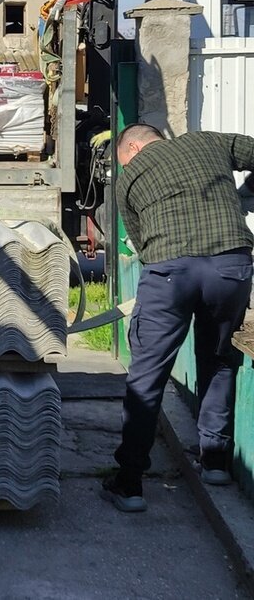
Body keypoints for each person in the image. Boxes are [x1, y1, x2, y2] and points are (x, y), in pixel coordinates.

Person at [103, 123, 254, 512]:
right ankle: (215, 462)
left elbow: (142, 246)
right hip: (231, 265)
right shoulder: (209, 141)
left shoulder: (129, 179)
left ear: (133, 147)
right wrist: (245, 196)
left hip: (170, 272)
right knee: (218, 358)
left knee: (147, 375)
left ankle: (130, 483)